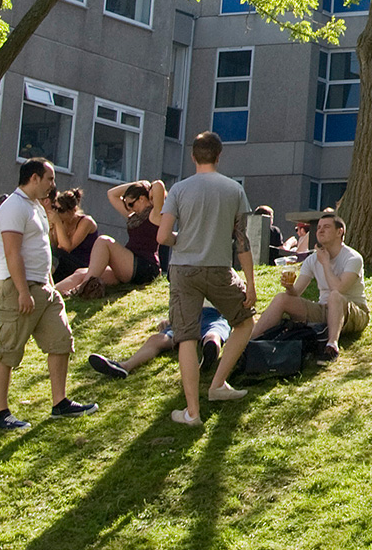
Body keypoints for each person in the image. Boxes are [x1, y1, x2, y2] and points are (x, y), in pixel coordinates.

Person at [157, 131, 258, 426]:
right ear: (219, 156)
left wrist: (181, 238)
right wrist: (250, 282)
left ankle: (192, 412)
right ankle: (217, 384)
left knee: (186, 337)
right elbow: (243, 242)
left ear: (192, 156)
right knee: (245, 322)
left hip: (183, 270)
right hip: (218, 268)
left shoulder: (179, 189)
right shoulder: (234, 190)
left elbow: (163, 236)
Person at [0, 159, 96, 430]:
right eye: (49, 179)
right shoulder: (13, 206)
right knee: (7, 350)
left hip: (44, 288)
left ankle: (60, 403)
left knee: (61, 341)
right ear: (34, 178)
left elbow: (40, 249)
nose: (53, 185)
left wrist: (49, 285)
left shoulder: (35, 206)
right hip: (16, 287)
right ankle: (1, 414)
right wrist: (24, 292)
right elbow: (12, 252)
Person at [251, 212, 367, 360]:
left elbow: (339, 289)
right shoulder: (312, 259)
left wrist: (325, 263)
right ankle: (250, 340)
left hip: (354, 311)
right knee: (282, 298)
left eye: (326, 227)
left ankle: (332, 345)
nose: (320, 231)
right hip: (323, 309)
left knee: (335, 296)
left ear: (340, 232)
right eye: (318, 228)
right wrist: (289, 287)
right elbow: (296, 293)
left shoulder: (353, 258)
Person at [88, 306, 233, 380]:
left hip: (210, 315)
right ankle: (124, 367)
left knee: (213, 335)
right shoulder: (189, 270)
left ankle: (209, 356)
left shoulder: (219, 270)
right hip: (196, 315)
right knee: (158, 339)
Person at [96, 179, 168, 290]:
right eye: (127, 206)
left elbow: (159, 185)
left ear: (142, 199)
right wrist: (136, 185)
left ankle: (85, 287)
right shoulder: (134, 217)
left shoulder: (155, 215)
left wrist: (146, 186)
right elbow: (112, 194)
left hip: (145, 266)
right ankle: (69, 292)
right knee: (81, 272)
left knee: (103, 241)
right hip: (130, 263)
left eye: (131, 204)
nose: (130, 208)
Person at [46, 190, 102, 296]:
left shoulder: (86, 222)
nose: (57, 213)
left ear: (72, 211)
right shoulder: (62, 223)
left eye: (61, 210)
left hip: (82, 266)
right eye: (55, 208)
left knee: (58, 254)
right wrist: (51, 230)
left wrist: (57, 223)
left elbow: (66, 248)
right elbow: (53, 245)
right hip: (65, 264)